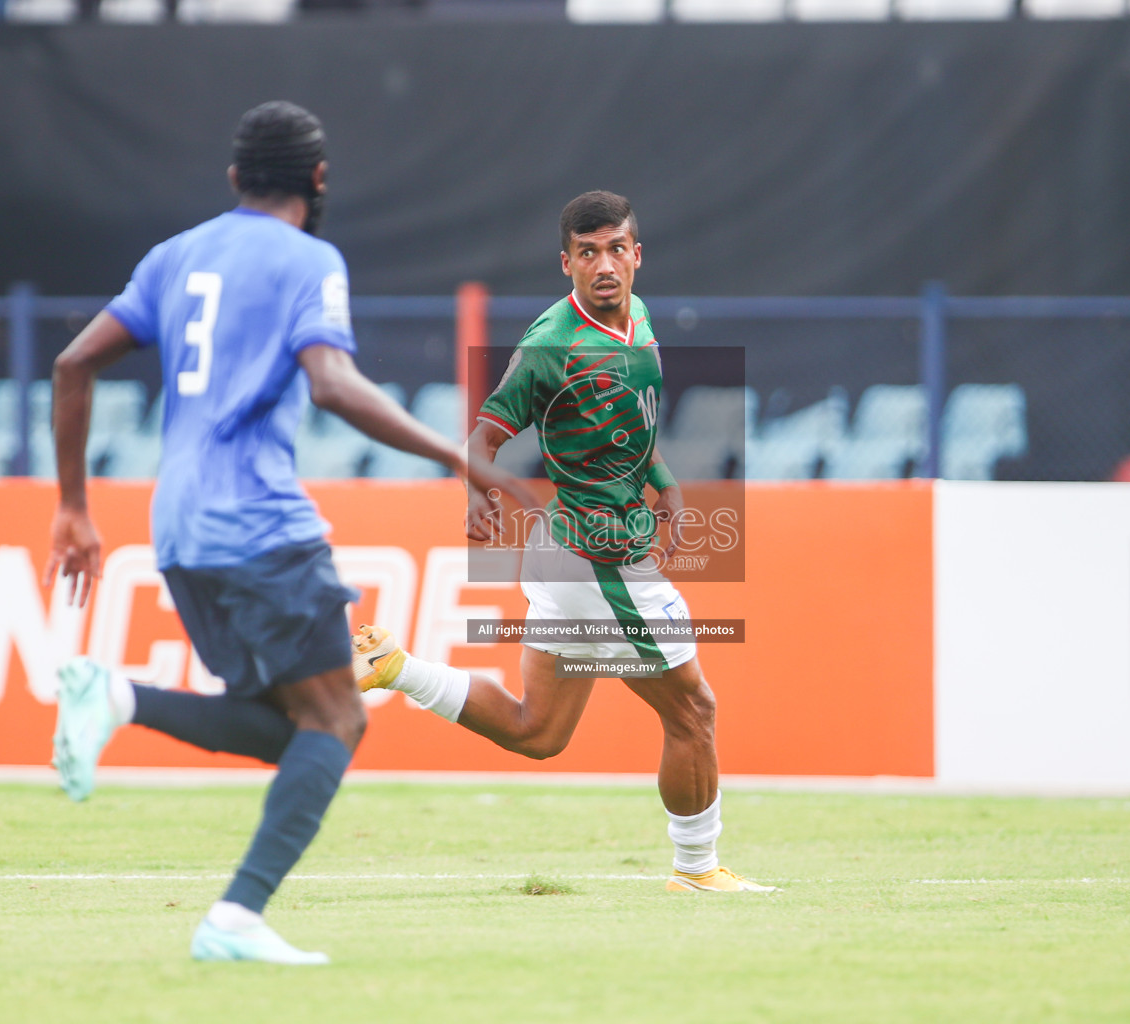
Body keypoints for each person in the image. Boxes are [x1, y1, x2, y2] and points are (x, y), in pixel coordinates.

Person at [43, 100, 532, 965]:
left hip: (180, 532)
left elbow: (73, 361)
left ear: (235, 179)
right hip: (260, 525)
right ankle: (234, 919)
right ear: (318, 179)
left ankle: (119, 700)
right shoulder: (310, 260)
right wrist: (460, 458)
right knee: (340, 720)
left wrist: (74, 506)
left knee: (294, 723)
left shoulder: (176, 255)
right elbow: (335, 383)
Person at [353, 190, 772, 894]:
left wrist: (663, 481)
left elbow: (626, 426)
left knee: (538, 730)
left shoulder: (636, 317)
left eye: (615, 249)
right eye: (587, 253)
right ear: (566, 263)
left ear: (637, 255)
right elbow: (482, 436)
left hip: (567, 556)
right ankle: (697, 869)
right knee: (694, 710)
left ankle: (396, 669)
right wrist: (478, 493)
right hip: (600, 561)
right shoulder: (553, 346)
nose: (603, 264)